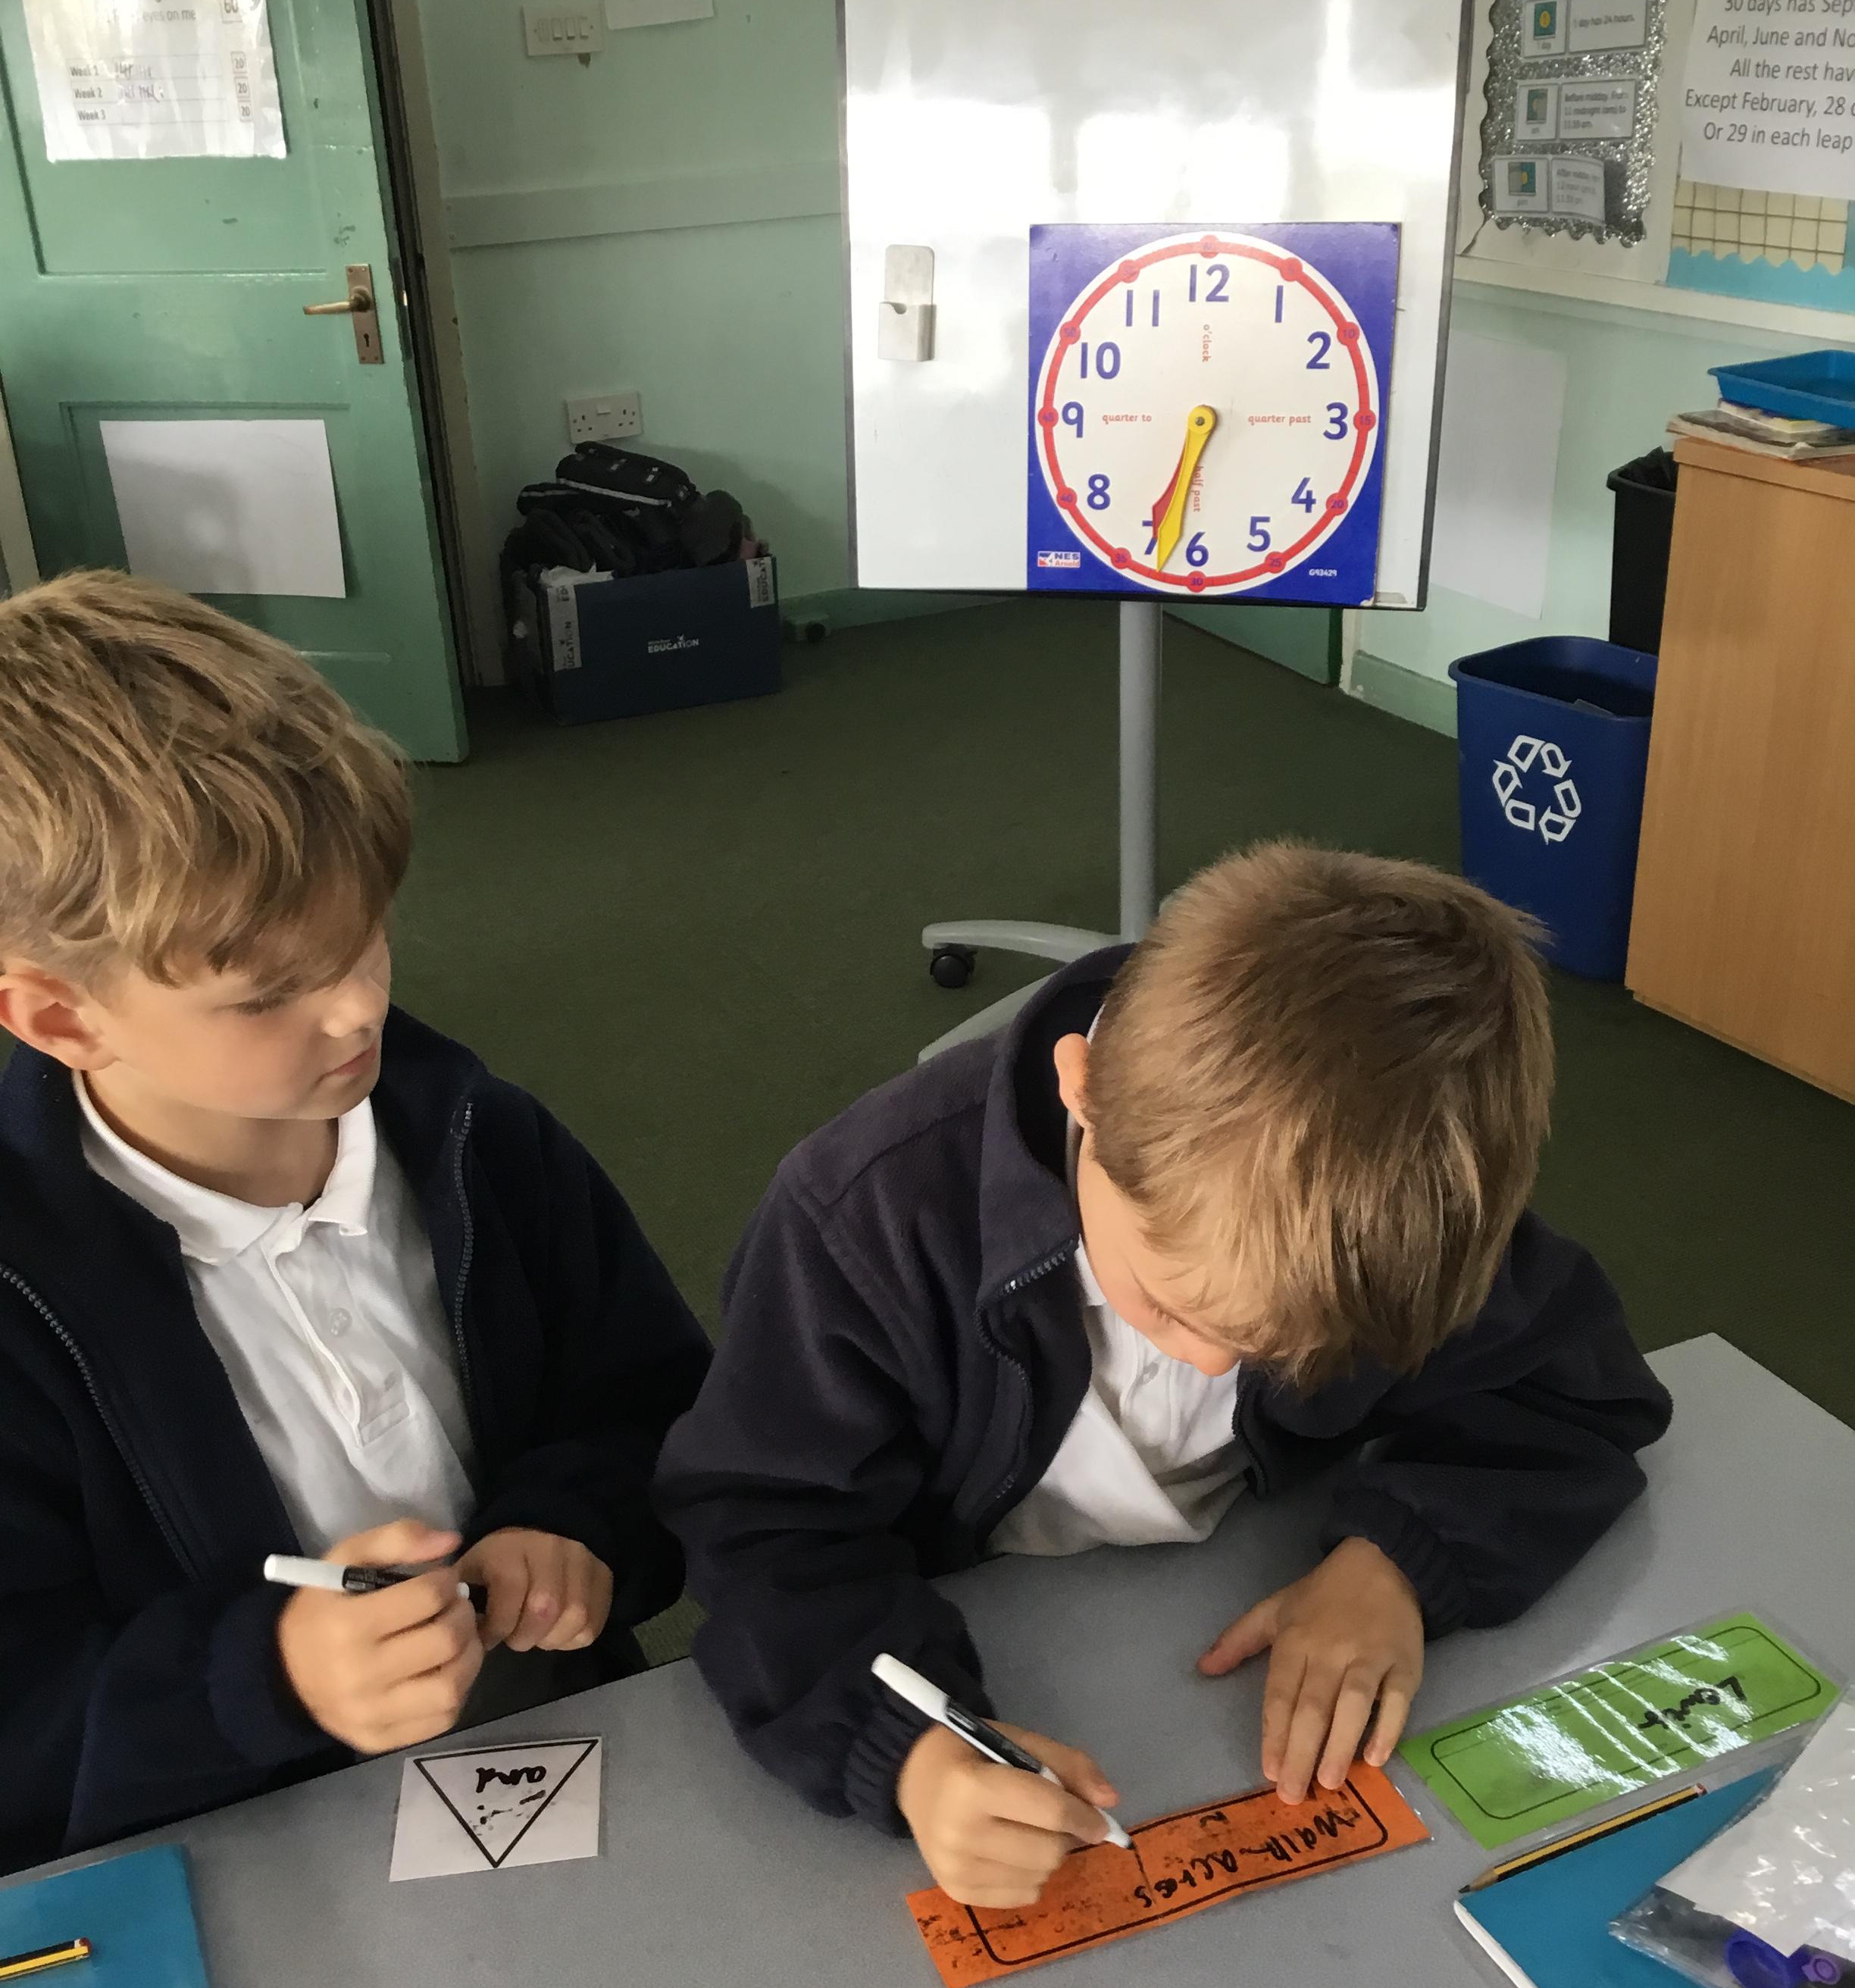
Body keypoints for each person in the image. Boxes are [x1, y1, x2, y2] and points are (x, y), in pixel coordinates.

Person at [656, 844, 1671, 1908]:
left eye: (1283, 1349)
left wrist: (1401, 1560)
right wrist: (904, 1754)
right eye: (1172, 1309)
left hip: (1209, 1612)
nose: (1212, 1363)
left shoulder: (1385, 1214)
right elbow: (762, 1529)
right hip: (964, 1627)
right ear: (1081, 1093)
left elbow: (1573, 1391)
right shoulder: (859, 1223)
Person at [0, 572, 709, 1871]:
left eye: (366, 937)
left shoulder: (486, 1142)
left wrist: (577, 1525)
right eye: (270, 993)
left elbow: (658, 1407)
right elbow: (25, 1723)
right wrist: (262, 1682)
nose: (359, 1009)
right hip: (240, 1851)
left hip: (558, 1755)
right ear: (59, 1017)